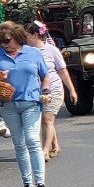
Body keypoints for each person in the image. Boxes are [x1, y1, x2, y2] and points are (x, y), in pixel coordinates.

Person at [0, 22, 52, 187]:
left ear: (17, 37)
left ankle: (40, 184)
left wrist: (46, 92)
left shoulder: (33, 53)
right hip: (8, 105)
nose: (4, 44)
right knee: (19, 144)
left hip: (31, 102)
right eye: (1, 41)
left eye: (7, 40)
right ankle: (28, 185)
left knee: (32, 140)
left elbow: (45, 76)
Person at [25, 22, 78, 161]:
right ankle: (55, 146)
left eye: (27, 35)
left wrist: (72, 90)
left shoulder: (52, 50)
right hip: (36, 91)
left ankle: (44, 151)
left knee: (47, 119)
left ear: (35, 35)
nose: (25, 38)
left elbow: (63, 71)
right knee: (47, 120)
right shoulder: (27, 52)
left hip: (53, 89)